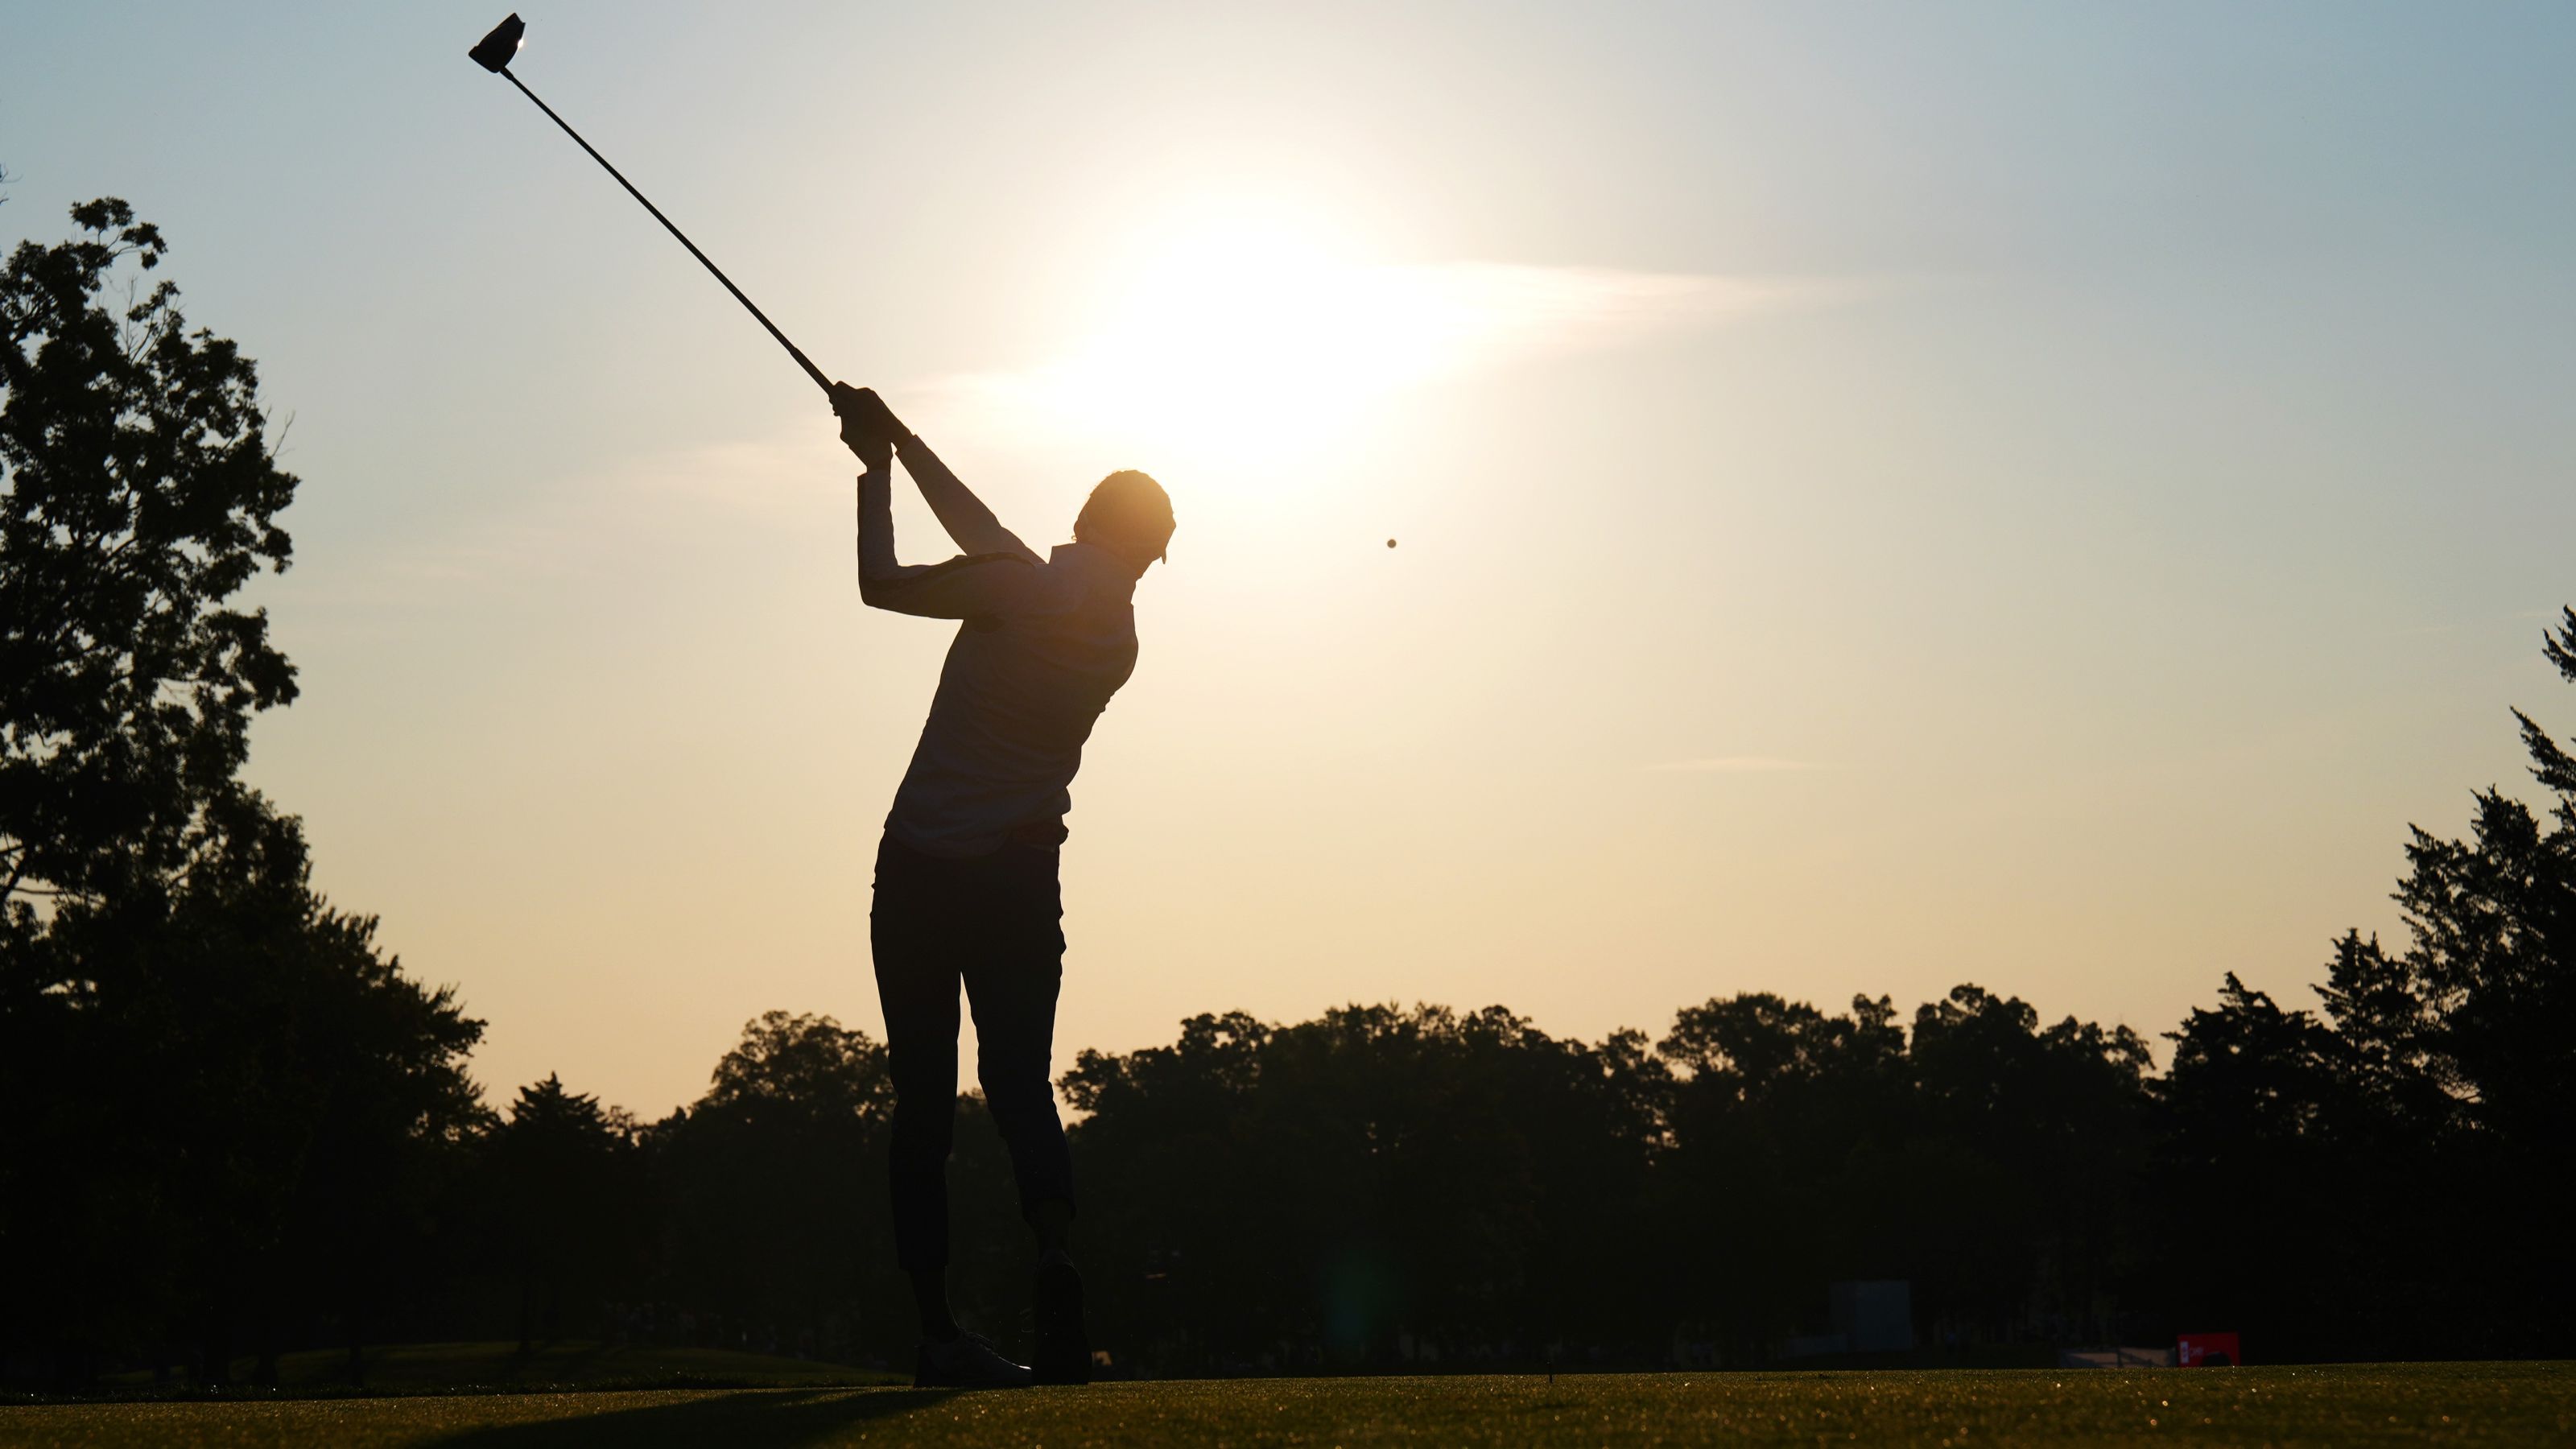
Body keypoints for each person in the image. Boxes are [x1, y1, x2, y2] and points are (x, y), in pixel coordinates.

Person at [831, 383, 1174, 1389]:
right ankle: (1054, 1254)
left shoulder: (1018, 587)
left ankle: (938, 1333)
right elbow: (985, 532)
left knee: (922, 1107)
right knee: (1021, 1082)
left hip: (921, 879)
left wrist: (874, 472)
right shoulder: (1115, 640)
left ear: (1080, 522)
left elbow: (883, 582)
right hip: (1020, 882)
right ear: (1150, 553)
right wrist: (897, 439)